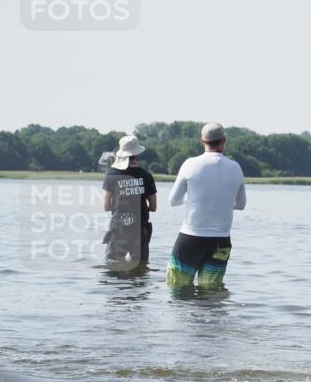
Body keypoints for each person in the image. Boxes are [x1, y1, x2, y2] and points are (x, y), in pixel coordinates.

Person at [166, 123, 246, 288]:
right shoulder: (235, 168)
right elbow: (241, 204)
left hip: (191, 238)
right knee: (212, 292)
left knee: (177, 288)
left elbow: (173, 201)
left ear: (202, 141)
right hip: (221, 241)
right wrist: (222, 203)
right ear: (224, 140)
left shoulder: (190, 164)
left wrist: (192, 200)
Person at [101, 135, 157, 265]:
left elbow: (106, 206)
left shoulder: (111, 175)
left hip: (118, 229)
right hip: (140, 230)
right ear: (137, 155)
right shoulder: (146, 176)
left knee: (113, 266)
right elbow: (153, 207)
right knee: (141, 267)